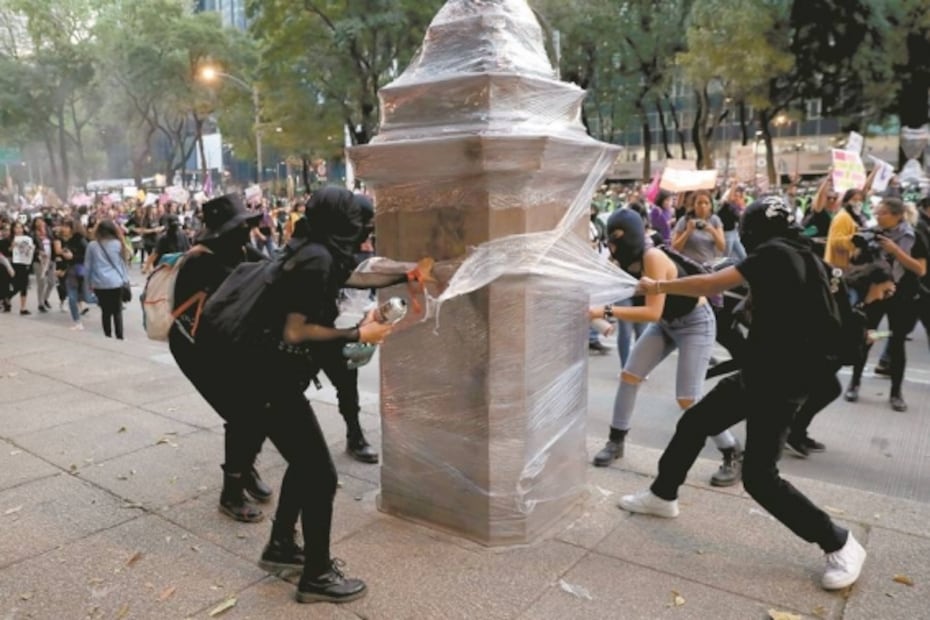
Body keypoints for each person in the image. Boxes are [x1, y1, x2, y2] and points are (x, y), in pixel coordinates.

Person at [620, 196, 867, 591]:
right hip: (765, 372)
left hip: (781, 383)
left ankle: (839, 542)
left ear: (753, 230)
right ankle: (662, 495)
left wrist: (658, 284)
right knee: (696, 421)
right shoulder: (805, 253)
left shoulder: (773, 254)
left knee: (760, 478)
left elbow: (711, 284)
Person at [205, 186, 432, 604]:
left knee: (303, 464)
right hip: (267, 382)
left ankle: (282, 548)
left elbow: (358, 270)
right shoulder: (317, 259)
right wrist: (359, 332)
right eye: (359, 223)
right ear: (341, 222)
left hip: (267, 377)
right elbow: (296, 331)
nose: (365, 231)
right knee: (321, 475)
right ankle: (317, 574)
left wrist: (406, 272)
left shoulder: (314, 249)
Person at [590, 209, 742, 487]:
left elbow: (650, 311)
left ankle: (732, 451)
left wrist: (604, 310)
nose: (612, 247)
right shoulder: (624, 260)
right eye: (610, 241)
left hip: (695, 323)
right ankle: (616, 441)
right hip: (667, 323)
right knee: (630, 375)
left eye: (616, 241)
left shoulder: (652, 258)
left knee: (688, 399)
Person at [168, 194, 272, 523]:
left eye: (247, 225)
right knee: (243, 414)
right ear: (222, 232)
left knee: (259, 409)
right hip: (197, 348)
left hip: (231, 343)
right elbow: (213, 316)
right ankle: (232, 492)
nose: (247, 231)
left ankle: (245, 468)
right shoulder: (201, 261)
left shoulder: (242, 250)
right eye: (240, 226)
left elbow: (273, 270)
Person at [844, 197, 927, 411]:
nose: (878, 216)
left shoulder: (913, 236)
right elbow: (856, 263)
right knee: (864, 338)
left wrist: (895, 251)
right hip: (874, 294)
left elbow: (920, 270)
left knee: (897, 343)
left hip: (902, 296)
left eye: (882, 213)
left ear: (897, 216)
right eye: (877, 212)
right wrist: (860, 249)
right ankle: (854, 383)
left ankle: (896, 393)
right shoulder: (872, 233)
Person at [84, 219, 131, 339]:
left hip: (100, 283)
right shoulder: (118, 243)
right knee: (117, 311)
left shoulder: (92, 246)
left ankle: (107, 336)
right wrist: (125, 280)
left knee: (105, 311)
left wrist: (87, 284)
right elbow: (122, 264)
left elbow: (88, 267)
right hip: (116, 282)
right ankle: (120, 336)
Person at [10, 220, 35, 315]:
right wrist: (11, 247)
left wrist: (31, 249)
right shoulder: (10, 238)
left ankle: (23, 307)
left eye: (20, 227)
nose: (18, 229)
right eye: (16, 227)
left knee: (23, 285)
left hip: (24, 263)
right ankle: (6, 298)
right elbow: (7, 251)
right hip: (14, 263)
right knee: (16, 285)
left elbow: (30, 250)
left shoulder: (27, 238)